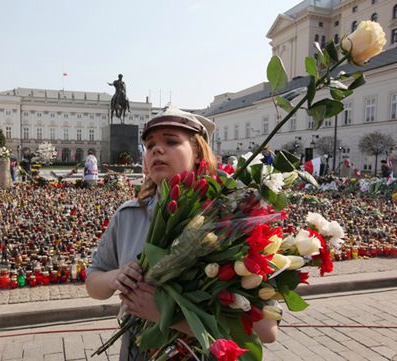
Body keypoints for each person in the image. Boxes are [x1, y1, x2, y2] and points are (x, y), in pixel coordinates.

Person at [85, 104, 278, 360]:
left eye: (171, 141)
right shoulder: (128, 216)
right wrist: (115, 277)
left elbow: (266, 330)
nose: (157, 149)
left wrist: (168, 315)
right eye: (150, 144)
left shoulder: (232, 222)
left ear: (198, 152)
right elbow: (94, 282)